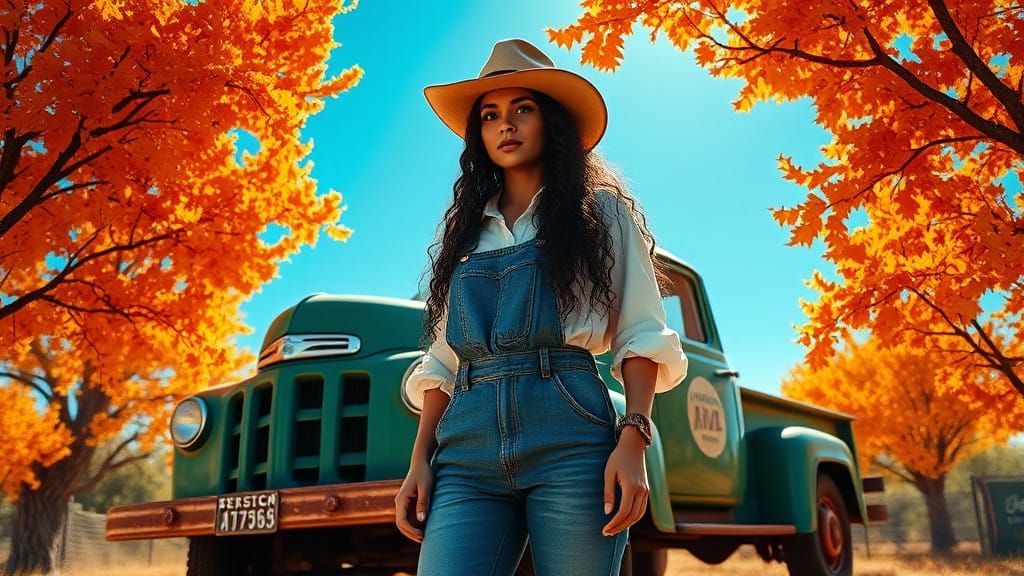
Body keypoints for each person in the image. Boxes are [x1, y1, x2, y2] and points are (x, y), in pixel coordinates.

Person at [394, 38, 689, 576]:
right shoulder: (460, 228)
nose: (505, 125)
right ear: (478, 134)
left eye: (521, 109)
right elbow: (442, 362)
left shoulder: (601, 211)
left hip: (571, 436)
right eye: (490, 115)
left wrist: (635, 437)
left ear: (550, 121)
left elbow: (641, 333)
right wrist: (419, 459)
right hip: (466, 447)